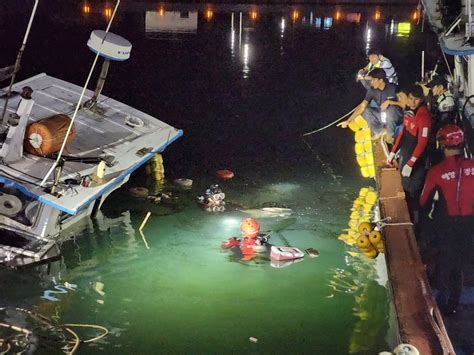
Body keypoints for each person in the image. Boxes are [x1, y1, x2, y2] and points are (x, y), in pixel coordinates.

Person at [419, 125, 474, 315]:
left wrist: (422, 224)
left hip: (447, 223)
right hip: (469, 224)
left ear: (442, 145)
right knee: (459, 262)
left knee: (446, 259)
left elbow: (424, 201)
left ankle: (444, 304)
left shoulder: (436, 171)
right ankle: (454, 302)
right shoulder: (472, 166)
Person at [387, 84, 433, 223]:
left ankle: (417, 224)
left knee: (415, 192)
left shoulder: (424, 115)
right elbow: (403, 133)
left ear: (421, 99)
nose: (413, 102)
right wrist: (393, 151)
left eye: (416, 100)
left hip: (417, 159)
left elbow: (423, 142)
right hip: (406, 154)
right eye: (411, 99)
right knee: (405, 188)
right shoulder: (408, 111)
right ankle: (409, 218)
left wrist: (411, 163)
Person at [338, 68, 402, 141]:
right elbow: (363, 106)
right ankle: (380, 131)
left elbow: (404, 104)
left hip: (395, 117)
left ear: (380, 80)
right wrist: (349, 120)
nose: (371, 82)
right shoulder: (372, 91)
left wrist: (390, 102)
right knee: (365, 110)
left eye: (373, 80)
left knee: (391, 109)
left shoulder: (393, 88)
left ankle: (390, 135)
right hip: (383, 116)